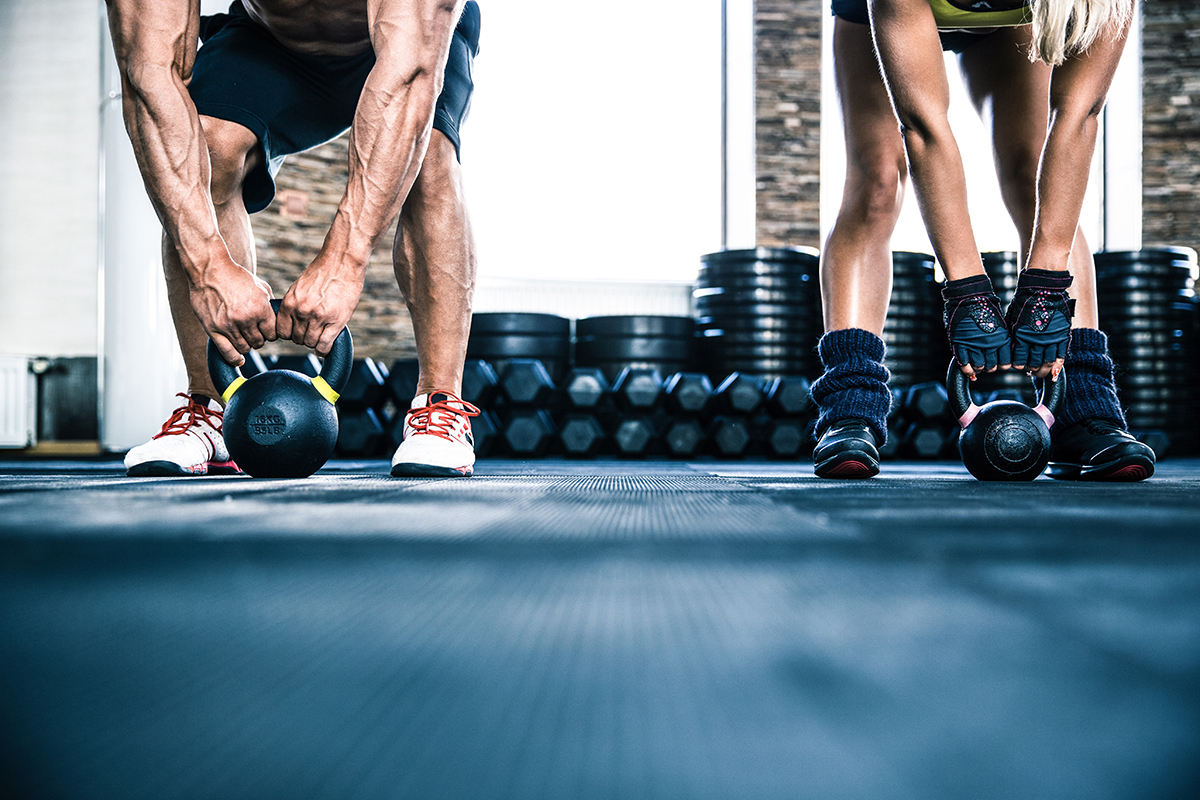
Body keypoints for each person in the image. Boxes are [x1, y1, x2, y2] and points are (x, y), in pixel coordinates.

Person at [110, 0, 483, 479]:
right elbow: (148, 77)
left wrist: (345, 261)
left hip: (409, 41)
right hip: (272, 40)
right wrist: (208, 267)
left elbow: (409, 75)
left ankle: (440, 407)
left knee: (430, 155)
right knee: (207, 148)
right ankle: (210, 407)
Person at [809, 0, 1156, 481]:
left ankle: (1084, 404)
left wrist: (1047, 283)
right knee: (877, 184)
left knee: (1030, 171)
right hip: (892, 13)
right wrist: (968, 292)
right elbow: (925, 128)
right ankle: (849, 407)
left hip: (1013, 21)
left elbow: (1079, 115)